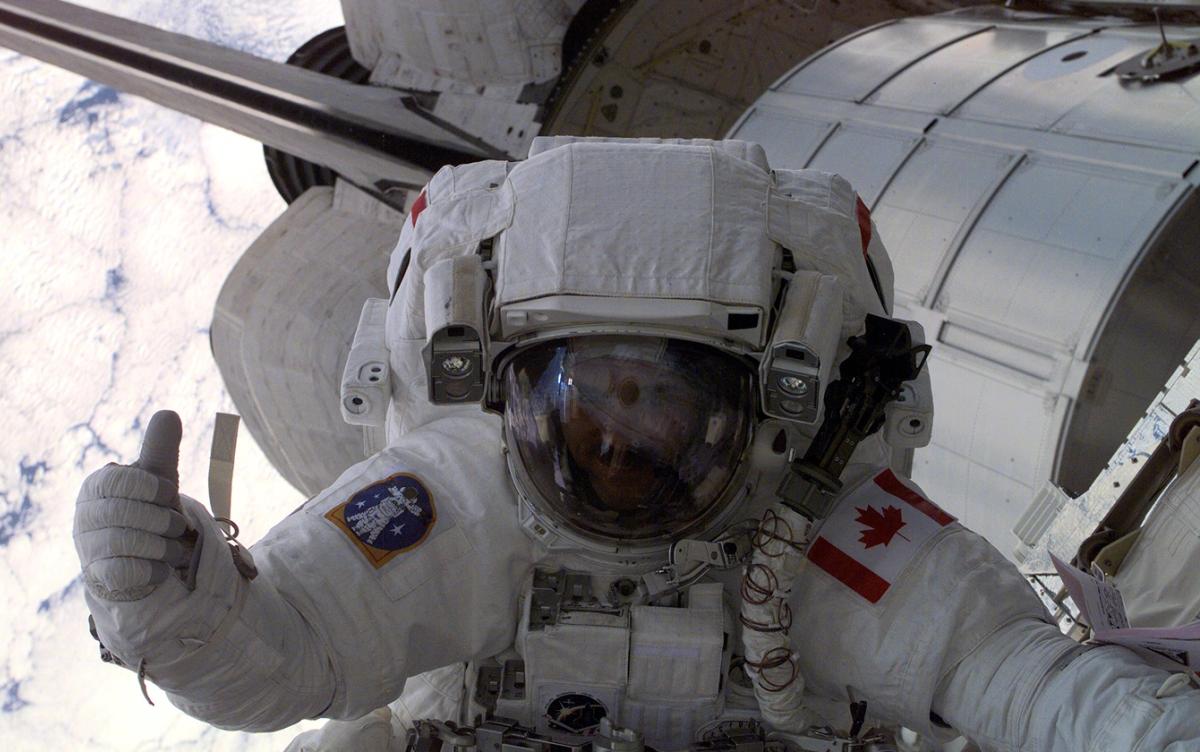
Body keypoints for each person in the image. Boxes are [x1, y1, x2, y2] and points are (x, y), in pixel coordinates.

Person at [73, 138, 1200, 751]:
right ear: (510, 385)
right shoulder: (459, 496)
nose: (614, 441)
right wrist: (179, 614)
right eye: (586, 396)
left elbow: (1023, 682)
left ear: (756, 414)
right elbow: (290, 653)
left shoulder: (832, 532)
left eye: (657, 403)